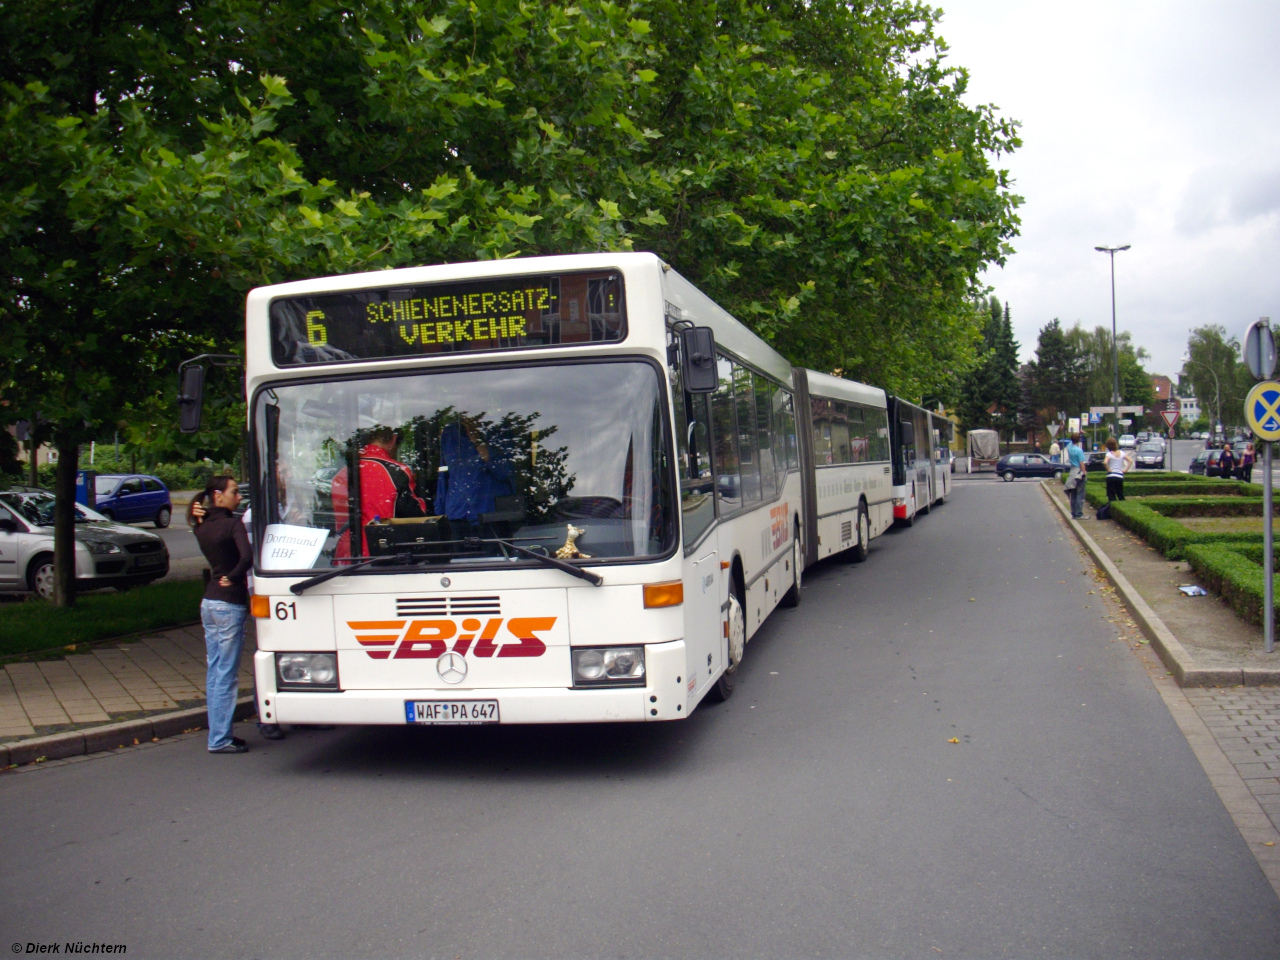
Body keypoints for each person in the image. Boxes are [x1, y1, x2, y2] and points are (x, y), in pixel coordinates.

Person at [190, 477, 253, 754]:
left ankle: (218, 734)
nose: (238, 497)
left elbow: (195, 517)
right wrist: (235, 576)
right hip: (230, 602)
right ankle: (220, 739)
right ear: (218, 495)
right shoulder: (232, 524)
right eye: (234, 492)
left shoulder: (202, 527)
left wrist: (195, 509)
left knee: (215, 670)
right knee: (226, 673)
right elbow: (247, 557)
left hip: (209, 602)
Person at [331, 425, 428, 558]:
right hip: (382, 554)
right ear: (393, 439)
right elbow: (415, 516)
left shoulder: (341, 474)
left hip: (345, 556)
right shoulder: (397, 471)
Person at [434, 415, 515, 528]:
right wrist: (440, 512)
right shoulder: (450, 432)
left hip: (490, 516)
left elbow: (504, 471)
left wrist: (476, 439)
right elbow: (444, 473)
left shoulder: (498, 427)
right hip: (457, 515)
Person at [1065, 434, 1089, 519]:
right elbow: (1081, 463)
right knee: (1080, 494)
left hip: (1072, 471)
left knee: (1074, 494)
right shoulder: (1079, 450)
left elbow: (1072, 440)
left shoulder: (1069, 447)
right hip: (1078, 471)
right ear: (1079, 440)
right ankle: (1079, 514)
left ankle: (1074, 513)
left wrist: (1078, 433)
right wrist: (1084, 472)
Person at [1103, 437, 1131, 503]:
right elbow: (1130, 461)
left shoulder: (1109, 454)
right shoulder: (1121, 453)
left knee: (1111, 495)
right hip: (1119, 476)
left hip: (1111, 476)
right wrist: (1125, 469)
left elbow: (1105, 462)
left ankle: (1112, 508)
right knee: (1120, 493)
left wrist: (1108, 469)